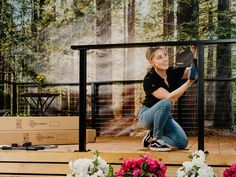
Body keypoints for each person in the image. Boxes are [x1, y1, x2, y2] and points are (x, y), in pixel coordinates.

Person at [138, 46, 198, 152]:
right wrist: (189, 82)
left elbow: (194, 72)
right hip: (147, 116)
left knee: (182, 143)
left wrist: (195, 54)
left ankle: (151, 136)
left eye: (165, 55)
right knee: (166, 103)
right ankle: (156, 140)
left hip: (164, 116)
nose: (165, 59)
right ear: (151, 62)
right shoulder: (149, 79)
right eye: (159, 57)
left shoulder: (171, 72)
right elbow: (170, 97)